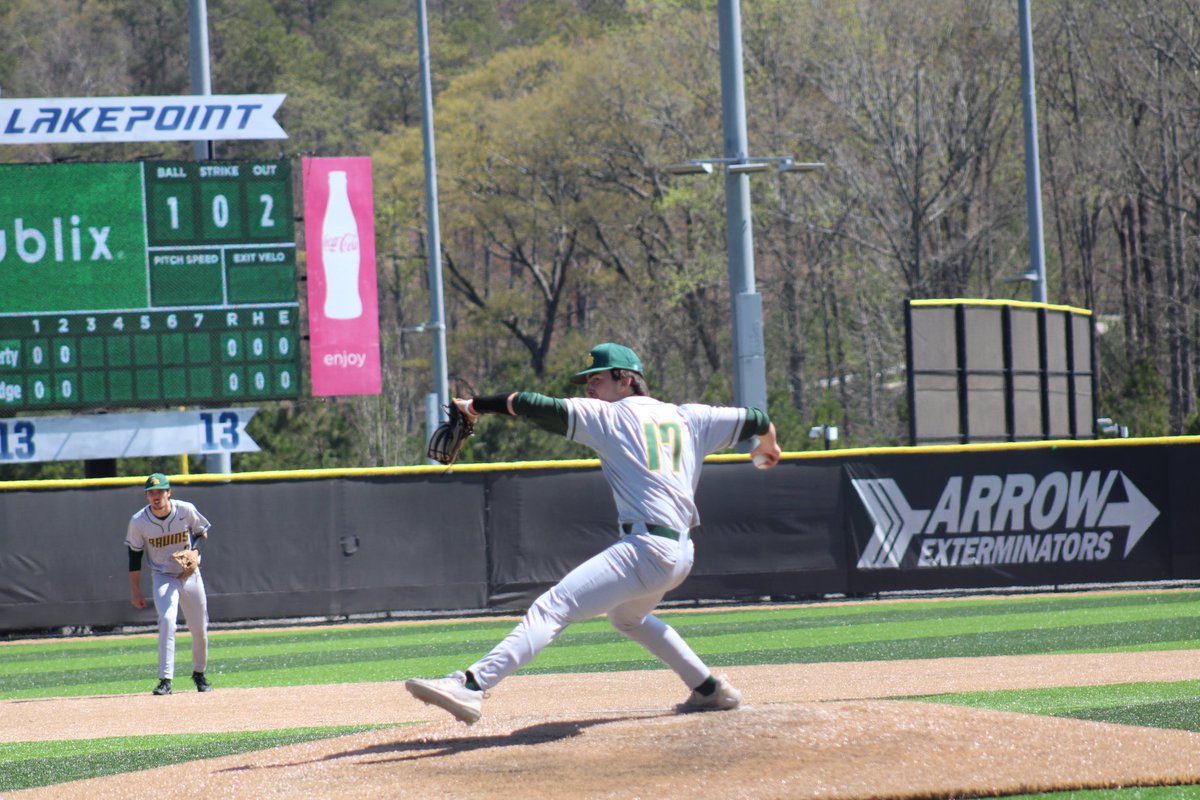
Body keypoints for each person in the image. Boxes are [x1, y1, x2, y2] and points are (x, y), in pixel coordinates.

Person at [406, 342, 781, 724]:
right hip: (680, 553)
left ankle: (470, 687)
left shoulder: (610, 416)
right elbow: (755, 417)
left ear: (627, 379)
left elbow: (534, 404)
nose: (588, 387)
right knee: (626, 619)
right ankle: (709, 690)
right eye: (586, 380)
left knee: (553, 608)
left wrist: (476, 405)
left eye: (597, 378)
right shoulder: (691, 418)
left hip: (646, 549)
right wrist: (769, 443)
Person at [125, 473, 214, 695]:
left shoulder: (184, 510)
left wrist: (195, 551)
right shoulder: (139, 521)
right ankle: (165, 680)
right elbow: (134, 556)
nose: (156, 496)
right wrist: (135, 590)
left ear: (169, 492)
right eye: (151, 492)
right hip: (163, 575)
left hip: (190, 574)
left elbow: (202, 533)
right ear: (147, 496)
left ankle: (199, 673)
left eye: (160, 491)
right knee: (166, 620)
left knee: (199, 628)